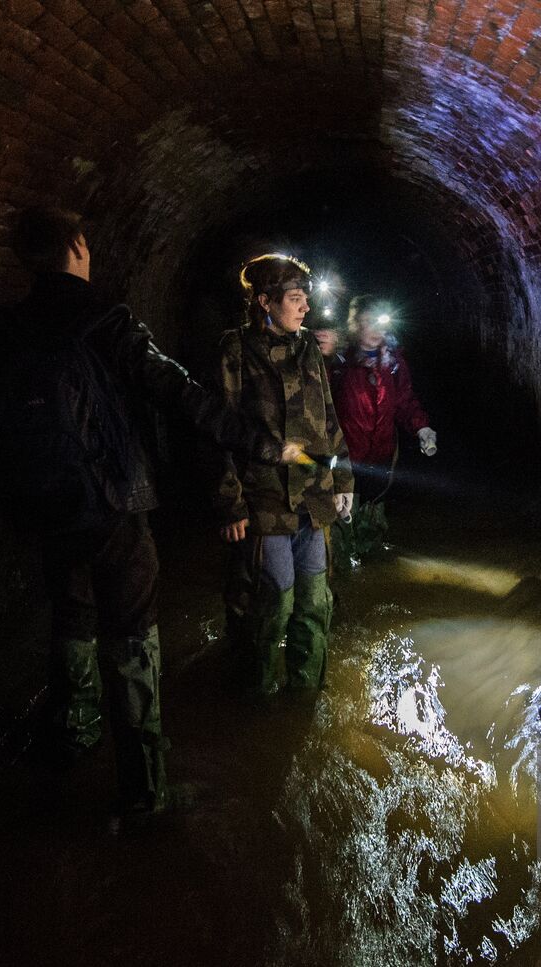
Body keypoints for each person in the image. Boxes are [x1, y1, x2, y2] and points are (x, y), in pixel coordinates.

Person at [0, 207, 303, 824]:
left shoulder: (4, 331)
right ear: (75, 245)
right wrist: (261, 444)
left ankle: (75, 732)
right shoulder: (107, 320)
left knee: (71, 614)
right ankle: (144, 789)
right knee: (132, 631)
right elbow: (181, 396)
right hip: (115, 506)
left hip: (43, 505)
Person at [209, 254, 353, 699]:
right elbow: (217, 429)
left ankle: (306, 692)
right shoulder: (234, 350)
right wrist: (230, 502)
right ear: (265, 301)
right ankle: (259, 692)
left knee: (314, 603)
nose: (305, 307)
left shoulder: (308, 346)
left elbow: (327, 417)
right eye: (295, 299)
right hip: (264, 499)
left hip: (312, 497)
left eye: (306, 298)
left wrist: (343, 479)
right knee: (273, 603)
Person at [328, 295, 435, 560]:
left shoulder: (394, 363)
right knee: (340, 521)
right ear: (355, 324)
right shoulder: (339, 362)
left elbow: (404, 401)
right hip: (345, 459)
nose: (377, 330)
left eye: (380, 322)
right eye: (368, 322)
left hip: (381, 456)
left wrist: (421, 428)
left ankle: (368, 566)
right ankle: (342, 568)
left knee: (372, 524)